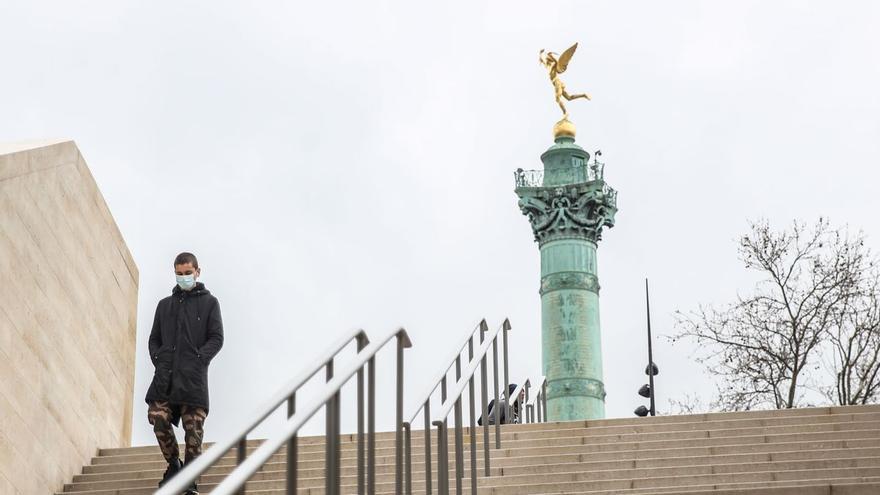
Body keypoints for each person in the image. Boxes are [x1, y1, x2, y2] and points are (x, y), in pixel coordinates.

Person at [145, 252, 223, 493]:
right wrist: (159, 360)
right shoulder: (164, 305)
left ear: (197, 272)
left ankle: (189, 479)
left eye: (188, 273)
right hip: (165, 378)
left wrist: (199, 359)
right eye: (179, 274)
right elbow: (154, 339)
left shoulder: (210, 303)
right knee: (157, 417)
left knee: (193, 429)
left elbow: (217, 338)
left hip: (193, 379)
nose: (184, 277)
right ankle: (173, 465)